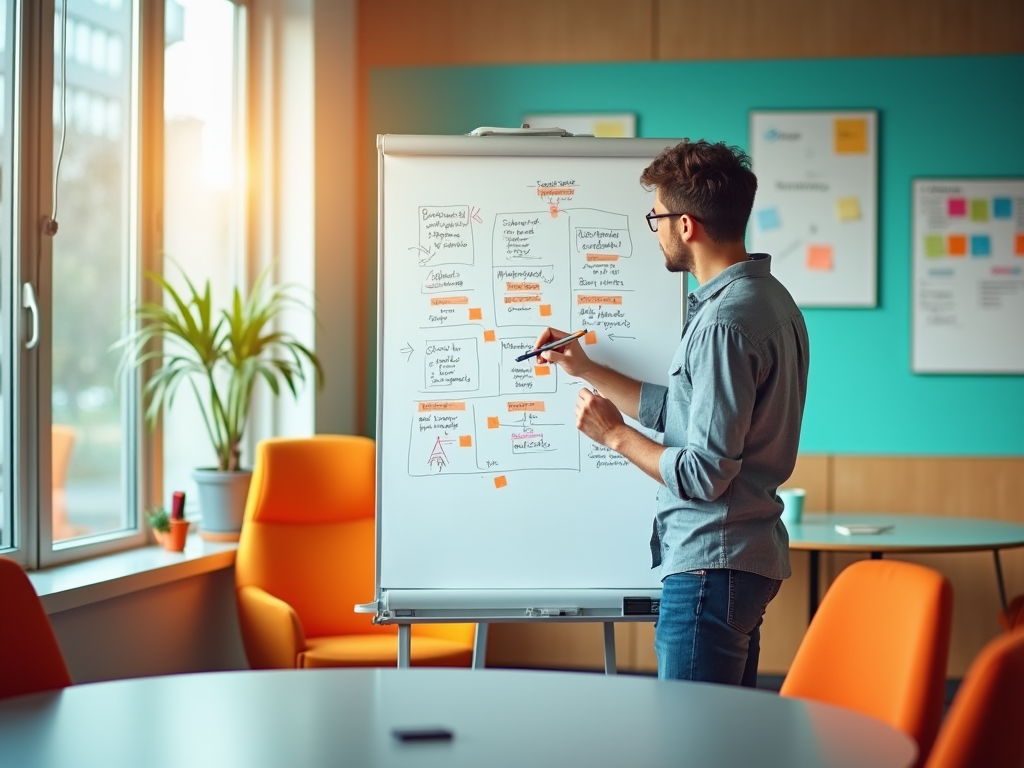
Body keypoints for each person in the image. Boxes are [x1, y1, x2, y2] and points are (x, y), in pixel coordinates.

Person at [535, 139, 809, 686]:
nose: (654, 228)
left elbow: (704, 472)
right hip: (737, 561)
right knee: (722, 738)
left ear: (687, 225)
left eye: (656, 215)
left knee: (691, 744)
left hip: (711, 565)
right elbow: (687, 411)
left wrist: (613, 434)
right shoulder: (768, 300)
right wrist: (588, 369)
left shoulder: (722, 325)